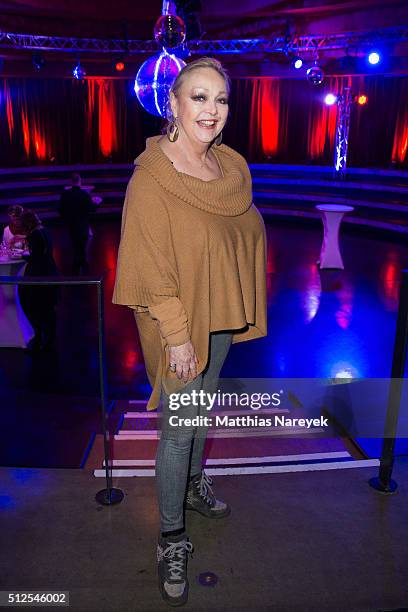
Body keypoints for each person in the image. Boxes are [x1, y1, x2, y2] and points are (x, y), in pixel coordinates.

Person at [113, 57, 267, 607]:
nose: (211, 110)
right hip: (178, 321)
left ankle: (196, 487)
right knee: (179, 428)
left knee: (203, 412)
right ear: (173, 104)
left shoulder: (230, 170)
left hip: (220, 312)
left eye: (220, 99)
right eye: (198, 97)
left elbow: (237, 233)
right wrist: (177, 336)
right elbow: (151, 266)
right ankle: (171, 537)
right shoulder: (152, 177)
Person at [18, 210, 59, 352]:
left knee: (36, 306)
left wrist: (23, 257)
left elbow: (36, 257)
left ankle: (40, 337)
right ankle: (48, 339)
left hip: (40, 273)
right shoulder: (43, 230)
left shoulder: (35, 234)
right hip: (50, 271)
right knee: (48, 308)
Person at [58, 173, 96, 274]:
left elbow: (60, 209)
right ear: (80, 181)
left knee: (75, 245)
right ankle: (82, 265)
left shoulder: (65, 195)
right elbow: (92, 209)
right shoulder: (84, 195)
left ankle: (78, 265)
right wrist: (97, 203)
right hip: (83, 224)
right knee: (82, 245)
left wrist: (66, 219)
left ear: (71, 181)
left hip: (71, 225)